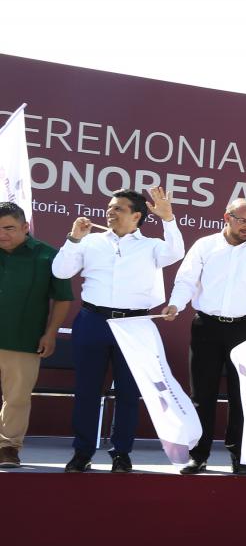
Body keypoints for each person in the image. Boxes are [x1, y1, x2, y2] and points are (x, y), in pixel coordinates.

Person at [53, 188, 184, 473]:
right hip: (93, 321)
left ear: (136, 216)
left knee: (128, 392)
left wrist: (168, 219)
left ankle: (121, 453)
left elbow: (176, 252)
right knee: (87, 391)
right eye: (110, 207)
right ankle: (82, 452)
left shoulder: (152, 246)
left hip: (134, 325)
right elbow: (60, 271)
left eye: (119, 208)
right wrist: (74, 238)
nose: (110, 212)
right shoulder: (90, 241)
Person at [162, 199, 246, 475]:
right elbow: (186, 280)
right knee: (201, 394)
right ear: (226, 218)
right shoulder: (205, 246)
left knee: (243, 397)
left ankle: (239, 457)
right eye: (243, 221)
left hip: (245, 330)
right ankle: (198, 455)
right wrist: (176, 304)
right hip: (206, 326)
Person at [0, 202, 74, 468]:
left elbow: (63, 298)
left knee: (17, 398)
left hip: (23, 340)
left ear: (25, 227)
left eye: (9, 228)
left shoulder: (49, 256)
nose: (2, 234)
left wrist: (50, 333)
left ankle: (8, 447)